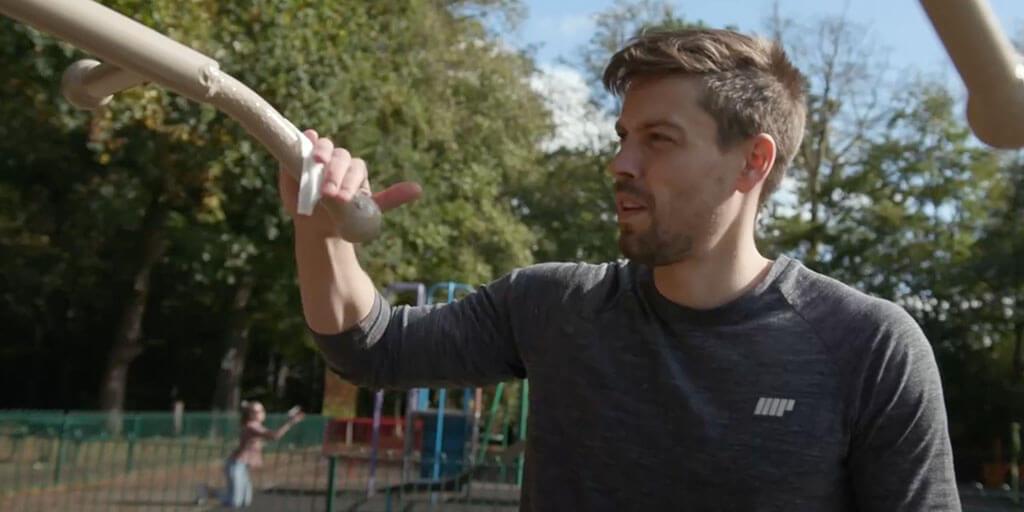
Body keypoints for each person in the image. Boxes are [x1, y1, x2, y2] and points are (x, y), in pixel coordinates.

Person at [279, 28, 959, 510]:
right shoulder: (553, 306)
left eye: (658, 139)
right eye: (623, 137)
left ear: (753, 160)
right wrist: (321, 230)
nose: (620, 164)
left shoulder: (869, 347)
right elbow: (371, 348)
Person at [222, 401, 305, 508]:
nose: (261, 413)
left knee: (245, 501)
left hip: (243, 467)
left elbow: (258, 441)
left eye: (262, 410)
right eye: (258, 411)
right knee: (235, 502)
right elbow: (274, 436)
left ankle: (216, 494)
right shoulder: (251, 426)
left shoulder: (256, 426)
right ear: (250, 414)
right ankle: (208, 493)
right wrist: (290, 422)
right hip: (235, 465)